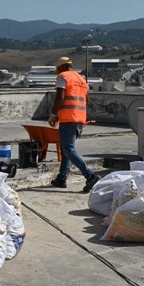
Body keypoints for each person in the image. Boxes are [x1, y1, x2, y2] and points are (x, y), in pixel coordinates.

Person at [48, 56, 101, 192]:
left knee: (69, 150)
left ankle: (90, 176)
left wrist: (54, 114)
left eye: (58, 70)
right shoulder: (81, 79)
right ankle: (61, 178)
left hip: (68, 119)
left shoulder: (63, 76)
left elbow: (60, 97)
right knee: (66, 150)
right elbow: (86, 100)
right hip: (79, 119)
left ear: (61, 67)